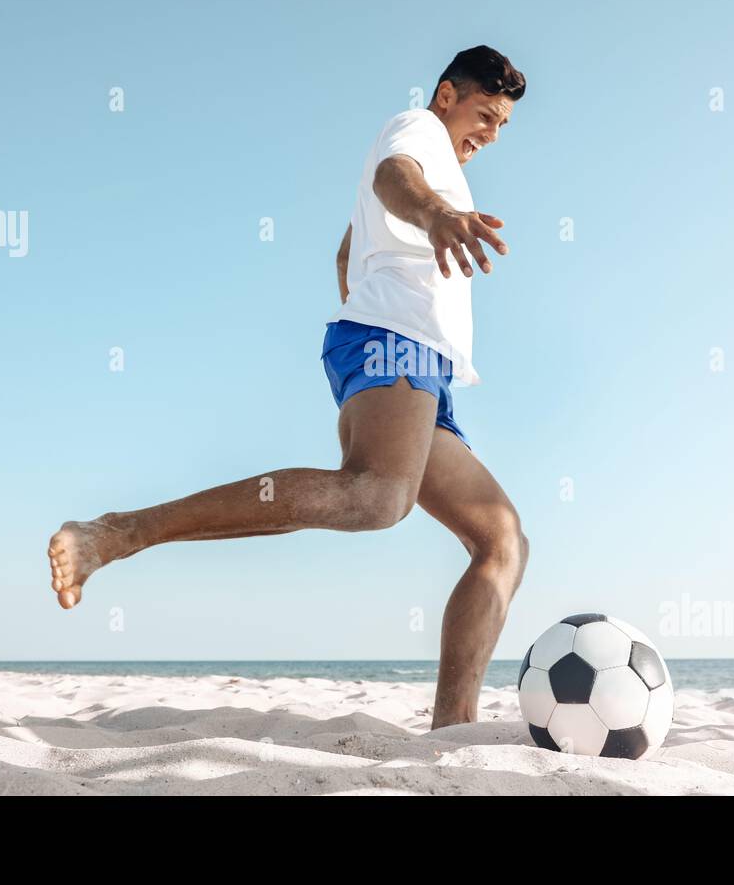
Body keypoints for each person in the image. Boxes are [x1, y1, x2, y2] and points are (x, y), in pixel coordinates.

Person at [48, 45, 528, 728]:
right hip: (394, 346)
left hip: (412, 362)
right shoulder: (417, 132)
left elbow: (346, 249)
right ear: (446, 95)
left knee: (501, 539)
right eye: (485, 114)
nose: (491, 134)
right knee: (376, 499)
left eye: (503, 125)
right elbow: (397, 179)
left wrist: (365, 320)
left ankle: (453, 729)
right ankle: (120, 533)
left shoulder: (442, 162)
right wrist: (434, 218)